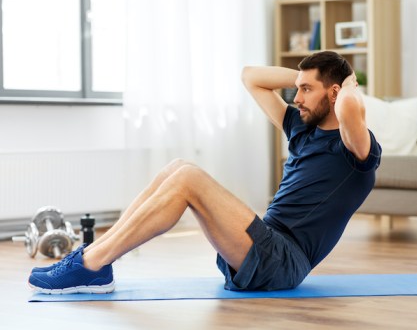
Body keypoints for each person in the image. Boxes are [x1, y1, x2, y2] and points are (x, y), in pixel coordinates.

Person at [28, 51, 381, 294]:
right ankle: (92, 256)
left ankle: (91, 267)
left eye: (306, 90)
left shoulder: (355, 149)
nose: (297, 97)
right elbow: (251, 77)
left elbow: (350, 106)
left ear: (334, 94)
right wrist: (308, 77)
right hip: (258, 247)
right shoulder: (303, 128)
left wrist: (345, 84)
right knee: (177, 168)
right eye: (298, 89)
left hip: (283, 262)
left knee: (189, 179)